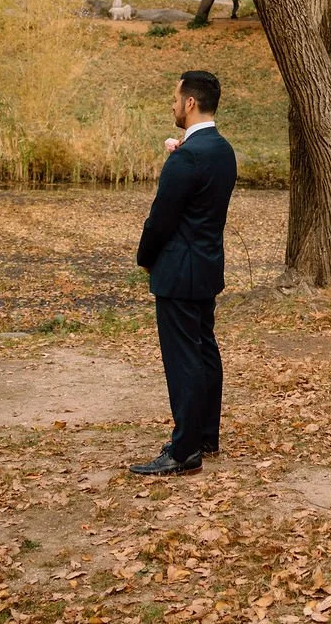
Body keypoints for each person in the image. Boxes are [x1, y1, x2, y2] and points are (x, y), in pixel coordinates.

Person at [130, 71, 237, 476]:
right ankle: (205, 434)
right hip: (206, 266)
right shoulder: (223, 150)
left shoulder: (188, 156)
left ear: (190, 102)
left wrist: (145, 258)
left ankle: (185, 451)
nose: (172, 105)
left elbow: (161, 218)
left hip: (178, 271)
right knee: (204, 351)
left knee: (184, 359)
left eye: (175, 98)